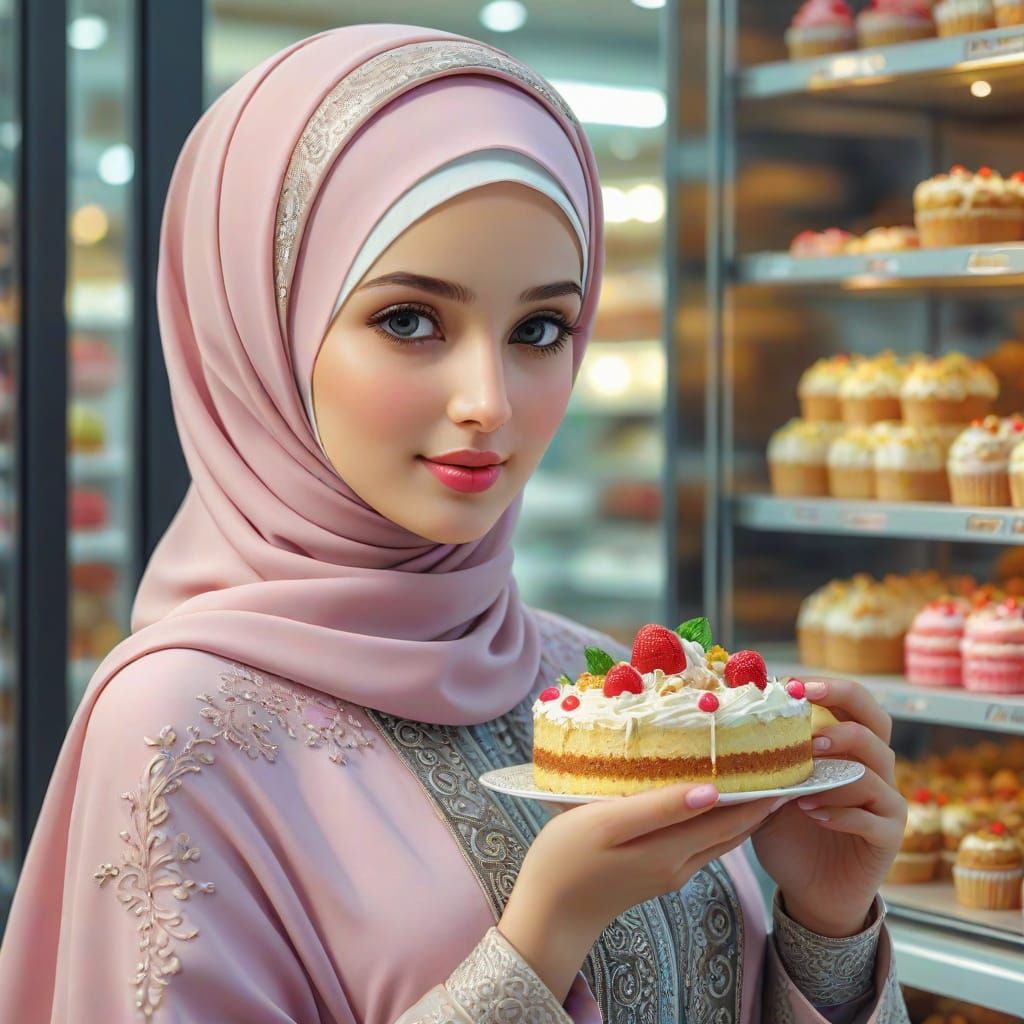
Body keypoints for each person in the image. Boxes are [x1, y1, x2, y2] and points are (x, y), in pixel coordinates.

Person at [0, 24, 910, 1023]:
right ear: (258, 332)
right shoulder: (173, 724)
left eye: (539, 329)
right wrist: (540, 938)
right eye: (408, 320)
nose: (490, 401)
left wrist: (826, 926)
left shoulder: (594, 690)